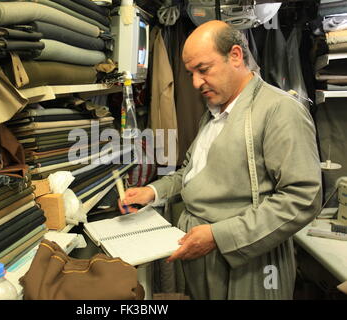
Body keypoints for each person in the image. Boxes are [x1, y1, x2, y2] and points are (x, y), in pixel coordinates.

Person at [119, 20, 322, 300]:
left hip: (249, 260)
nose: (195, 83)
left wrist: (219, 236)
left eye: (203, 70)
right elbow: (191, 173)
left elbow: (302, 198)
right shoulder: (213, 113)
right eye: (191, 73)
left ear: (236, 56)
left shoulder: (279, 110)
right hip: (203, 255)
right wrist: (152, 192)